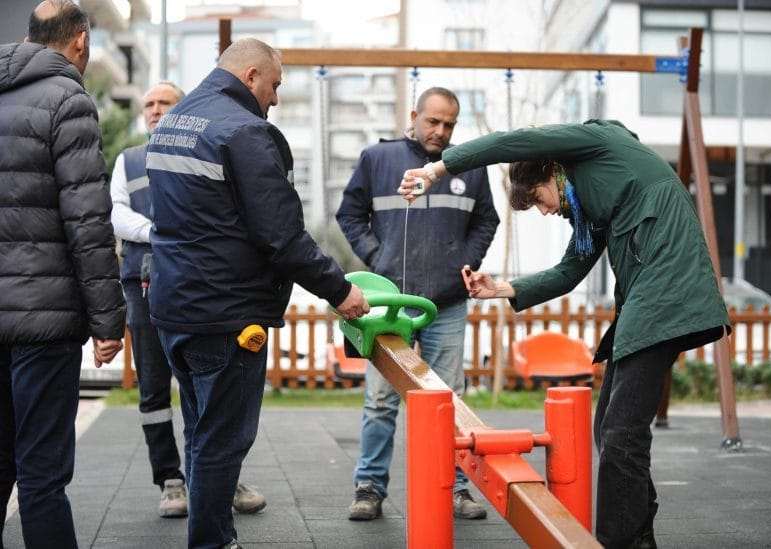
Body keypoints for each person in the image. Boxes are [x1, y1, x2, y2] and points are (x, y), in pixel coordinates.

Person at [400, 120, 730, 548]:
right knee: (609, 429)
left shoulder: (599, 144)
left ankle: (622, 542)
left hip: (667, 292)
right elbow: (571, 270)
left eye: (538, 198)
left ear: (550, 171)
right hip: (649, 302)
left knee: (621, 434)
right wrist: (504, 288)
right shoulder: (592, 213)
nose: (544, 210)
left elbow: (509, 142)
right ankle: (639, 534)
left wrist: (437, 170)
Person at [146, 38, 369, 549]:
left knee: (201, 433)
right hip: (227, 315)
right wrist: (340, 291)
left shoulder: (175, 122)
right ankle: (213, 543)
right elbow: (281, 236)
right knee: (222, 443)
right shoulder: (245, 131)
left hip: (174, 307)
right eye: (274, 85)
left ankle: (214, 538)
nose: (275, 98)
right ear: (250, 75)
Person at [337, 87, 499, 521]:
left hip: (446, 301)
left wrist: (464, 263)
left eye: (449, 124)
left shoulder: (469, 165)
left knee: (449, 399)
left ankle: (459, 489)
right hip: (391, 304)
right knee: (381, 400)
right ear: (415, 115)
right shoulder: (378, 159)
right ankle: (369, 487)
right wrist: (377, 257)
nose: (440, 131)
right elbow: (349, 215)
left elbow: (488, 220)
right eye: (433, 121)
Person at [111, 82, 267, 519]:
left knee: (209, 389)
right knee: (154, 389)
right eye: (149, 104)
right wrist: (159, 235)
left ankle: (219, 480)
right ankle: (172, 481)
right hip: (143, 284)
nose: (156, 110)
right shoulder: (129, 160)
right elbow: (117, 214)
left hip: (196, 283)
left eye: (166, 103)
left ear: (185, 111)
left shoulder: (206, 150)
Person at [0, 1, 125, 547]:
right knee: (42, 476)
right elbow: (87, 219)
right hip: (42, 321)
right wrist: (108, 322)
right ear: (79, 40)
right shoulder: (67, 98)